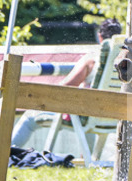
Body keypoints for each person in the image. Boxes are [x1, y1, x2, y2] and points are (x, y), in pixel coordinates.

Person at [10, 18, 123, 147]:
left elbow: (66, 88)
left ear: (99, 36)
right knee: (90, 109)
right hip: (111, 116)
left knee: (30, 116)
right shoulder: (124, 61)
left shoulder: (92, 59)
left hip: (86, 116)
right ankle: (88, 158)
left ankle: (8, 154)